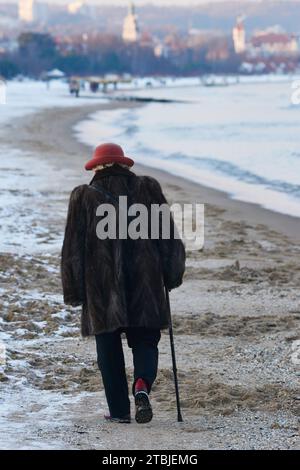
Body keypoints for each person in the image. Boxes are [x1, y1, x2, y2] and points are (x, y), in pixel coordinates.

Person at [61, 143, 185, 424]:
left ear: (96, 167)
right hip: (146, 282)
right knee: (145, 340)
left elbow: (72, 250)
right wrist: (172, 274)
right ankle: (141, 385)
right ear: (125, 165)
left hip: (102, 286)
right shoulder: (147, 189)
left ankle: (119, 412)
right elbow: (169, 239)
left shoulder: (83, 196)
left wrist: (75, 292)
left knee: (107, 348)